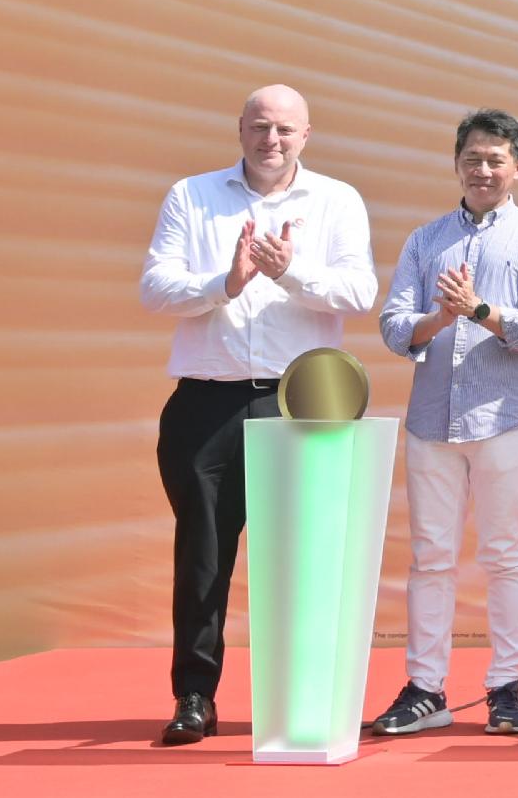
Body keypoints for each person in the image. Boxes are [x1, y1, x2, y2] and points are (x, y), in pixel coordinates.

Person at [134, 85, 378, 747]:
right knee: (204, 555)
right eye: (260, 128)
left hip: (302, 401)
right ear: (239, 129)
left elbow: (359, 291)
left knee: (307, 554)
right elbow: (155, 288)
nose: (272, 141)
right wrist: (226, 283)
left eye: (285, 131)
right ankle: (194, 696)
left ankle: (310, 699)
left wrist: (291, 271)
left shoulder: (337, 200)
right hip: (207, 400)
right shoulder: (193, 195)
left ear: (307, 135)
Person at [365, 109, 518, 742]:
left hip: (504, 420)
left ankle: (505, 686)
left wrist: (479, 310)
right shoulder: (425, 241)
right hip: (431, 422)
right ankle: (427, 688)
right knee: (430, 559)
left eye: (496, 160)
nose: (483, 170)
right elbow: (395, 327)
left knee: (505, 554)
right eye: (473, 158)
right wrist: (439, 316)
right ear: (456, 164)